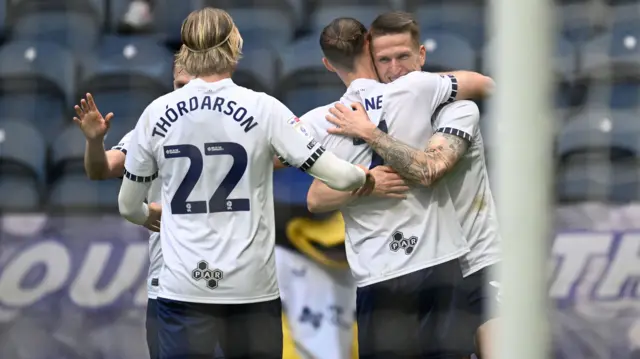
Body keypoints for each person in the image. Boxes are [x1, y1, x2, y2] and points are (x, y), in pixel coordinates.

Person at [117, 7, 373, 359]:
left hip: (183, 289)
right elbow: (340, 176)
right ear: (235, 46)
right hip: (252, 289)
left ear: (188, 51)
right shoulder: (264, 108)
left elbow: (128, 207)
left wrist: (147, 214)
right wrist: (366, 176)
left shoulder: (155, 113)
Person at [297, 15, 493, 359]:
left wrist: (361, 178)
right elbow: (482, 83)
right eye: (385, 58)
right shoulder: (417, 89)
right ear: (370, 49)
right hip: (439, 263)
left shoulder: (319, 121)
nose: (394, 66)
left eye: (402, 57)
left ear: (328, 64)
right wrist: (369, 180)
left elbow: (312, 198)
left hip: (380, 273)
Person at [73, 63, 193, 359]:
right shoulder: (152, 128)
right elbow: (102, 169)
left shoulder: (239, 125)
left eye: (192, 84)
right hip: (169, 284)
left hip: (231, 283)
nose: (185, 92)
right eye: (179, 85)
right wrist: (94, 141)